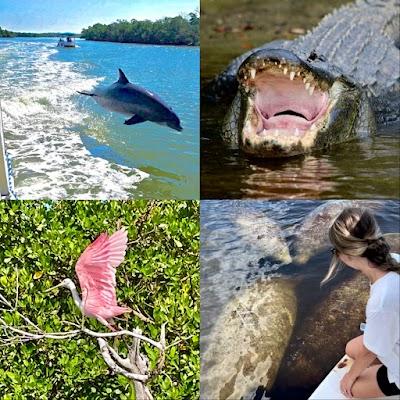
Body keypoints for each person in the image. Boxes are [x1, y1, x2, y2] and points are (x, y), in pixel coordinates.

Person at [322, 207, 400, 398]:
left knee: (351, 390)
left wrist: (350, 376)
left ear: (347, 255)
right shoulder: (395, 261)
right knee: (350, 349)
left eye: (335, 251)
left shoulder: (382, 302)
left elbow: (370, 352)